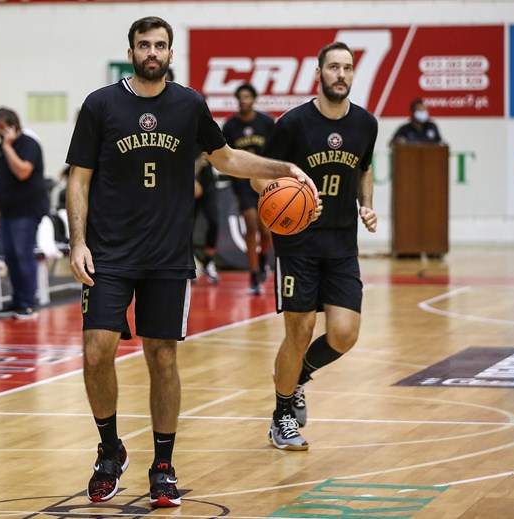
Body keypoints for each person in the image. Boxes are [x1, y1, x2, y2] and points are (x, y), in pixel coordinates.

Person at [65, 16, 317, 508]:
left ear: (171, 53)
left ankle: (163, 464)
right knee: (96, 352)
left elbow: (226, 159)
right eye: (144, 45)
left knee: (162, 356)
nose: (152, 52)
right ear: (132, 50)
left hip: (167, 254)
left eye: (160, 45)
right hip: (109, 252)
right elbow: (79, 179)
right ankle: (109, 451)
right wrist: (77, 241)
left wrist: (282, 168)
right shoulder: (100, 105)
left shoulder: (189, 104)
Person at [255, 42, 378, 451]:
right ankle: (282, 415)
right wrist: (287, 194)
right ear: (319, 73)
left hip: (342, 244)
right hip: (297, 243)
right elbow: (259, 177)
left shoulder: (365, 124)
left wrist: (369, 206)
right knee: (300, 328)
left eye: (347, 68)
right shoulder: (293, 124)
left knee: (344, 334)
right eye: (333, 68)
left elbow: (364, 169)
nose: (340, 75)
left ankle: (298, 378)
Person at [0, 107, 48, 319]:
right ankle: (16, 299)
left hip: (26, 210)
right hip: (7, 211)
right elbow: (0, 180)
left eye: (2, 127)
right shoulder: (0, 148)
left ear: (14, 125)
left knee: (24, 255)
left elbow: (23, 171)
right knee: (10, 257)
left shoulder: (28, 144)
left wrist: (7, 147)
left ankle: (27, 302)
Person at [222, 83, 276, 295]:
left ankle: (263, 259)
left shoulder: (267, 122)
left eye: (247, 96)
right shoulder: (230, 126)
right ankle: (253, 274)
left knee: (266, 228)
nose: (244, 100)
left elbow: (276, 150)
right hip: (242, 181)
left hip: (264, 179)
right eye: (240, 97)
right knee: (251, 224)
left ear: (254, 99)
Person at [194, 154, 220, 283]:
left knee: (214, 222)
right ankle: (189, 263)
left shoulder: (205, 135)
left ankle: (208, 262)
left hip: (208, 182)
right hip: (188, 183)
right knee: (186, 225)